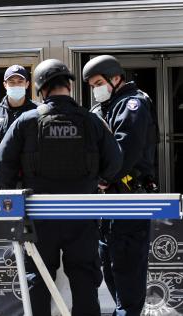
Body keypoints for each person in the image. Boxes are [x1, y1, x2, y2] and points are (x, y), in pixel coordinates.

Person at [0, 59, 122, 316]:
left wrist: (18, 192)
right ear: (69, 87)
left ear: (41, 89)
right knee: (84, 278)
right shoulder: (91, 120)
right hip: (82, 213)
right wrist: (101, 180)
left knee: (39, 280)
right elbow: (115, 161)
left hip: (39, 215)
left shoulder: (26, 121)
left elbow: (1, 166)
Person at [83, 55, 159, 315]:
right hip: (106, 204)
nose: (95, 89)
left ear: (116, 79)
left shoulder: (132, 104)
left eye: (99, 83)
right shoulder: (102, 109)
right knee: (110, 268)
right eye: (92, 85)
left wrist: (103, 179)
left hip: (129, 199)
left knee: (127, 272)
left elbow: (126, 150)